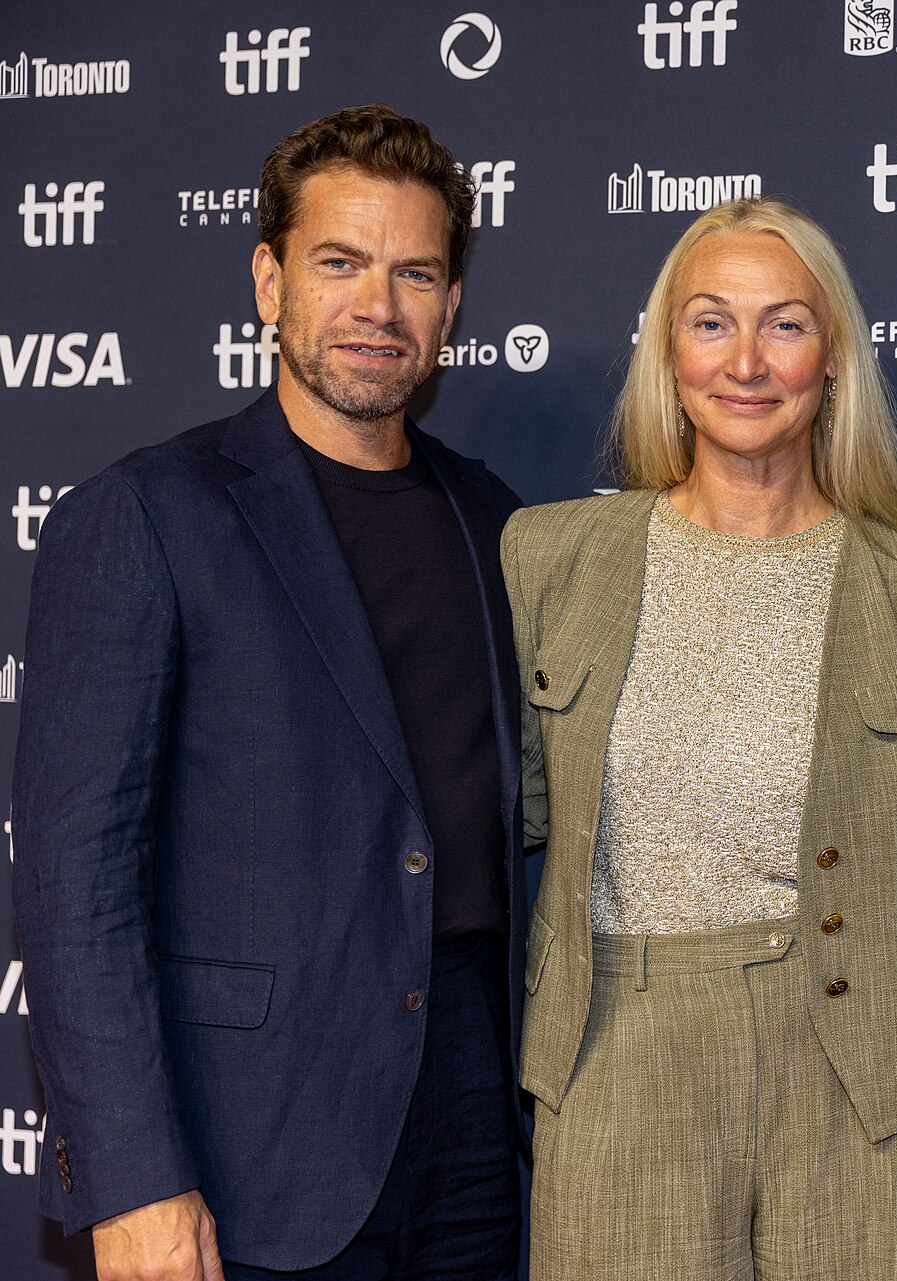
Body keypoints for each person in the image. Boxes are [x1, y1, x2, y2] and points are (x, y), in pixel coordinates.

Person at [11, 104, 526, 1279]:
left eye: (414, 273)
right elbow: (75, 880)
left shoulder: (496, 520)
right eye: (338, 263)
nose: (376, 306)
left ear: (450, 308)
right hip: (253, 1141)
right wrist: (137, 1180)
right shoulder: (145, 516)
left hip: (475, 1121)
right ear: (269, 281)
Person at [506, 195, 897, 1280]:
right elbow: (496, 817)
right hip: (621, 1050)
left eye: (786, 325)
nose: (748, 360)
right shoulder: (551, 561)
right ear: (668, 355)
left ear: (835, 359)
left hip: (859, 1066)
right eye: (712, 322)